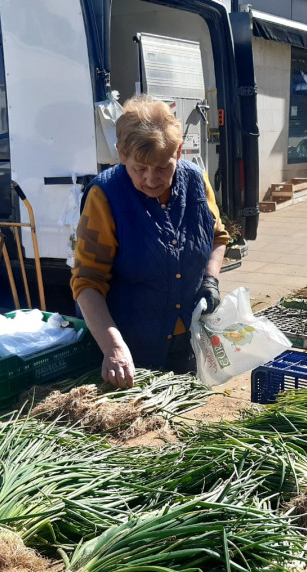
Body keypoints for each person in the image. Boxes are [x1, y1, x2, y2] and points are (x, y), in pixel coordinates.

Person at [71, 94, 230, 388]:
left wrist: (211, 280)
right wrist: (114, 349)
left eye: (162, 167)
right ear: (121, 155)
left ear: (179, 152)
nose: (151, 179)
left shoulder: (196, 181)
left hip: (190, 348)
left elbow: (218, 238)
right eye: (139, 169)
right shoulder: (105, 197)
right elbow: (87, 282)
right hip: (131, 357)